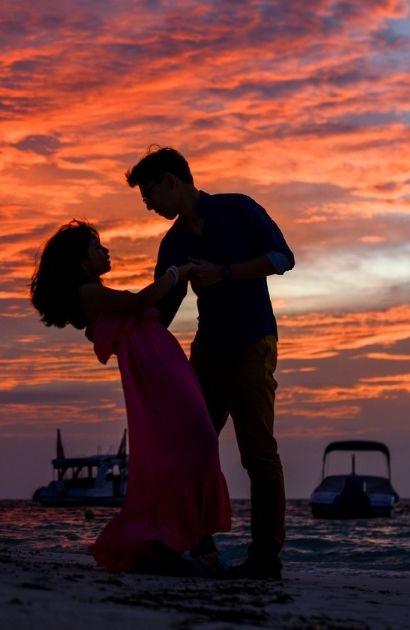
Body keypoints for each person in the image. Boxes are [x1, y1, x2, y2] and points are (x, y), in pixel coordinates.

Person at [126, 146, 294, 580]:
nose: (148, 204)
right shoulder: (174, 242)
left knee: (258, 453)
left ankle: (265, 558)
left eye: (149, 193)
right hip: (207, 351)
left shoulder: (238, 209)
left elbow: (282, 259)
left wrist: (222, 272)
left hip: (253, 342)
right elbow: (164, 308)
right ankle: (193, 546)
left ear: (171, 181)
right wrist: (125, 332)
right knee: (188, 447)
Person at [30, 220, 231, 576]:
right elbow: (141, 300)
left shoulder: (94, 291)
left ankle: (185, 546)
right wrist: (176, 272)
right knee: (196, 442)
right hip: (154, 372)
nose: (104, 251)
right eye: (96, 247)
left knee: (194, 444)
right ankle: (186, 546)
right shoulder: (87, 293)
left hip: (162, 364)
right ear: (81, 261)